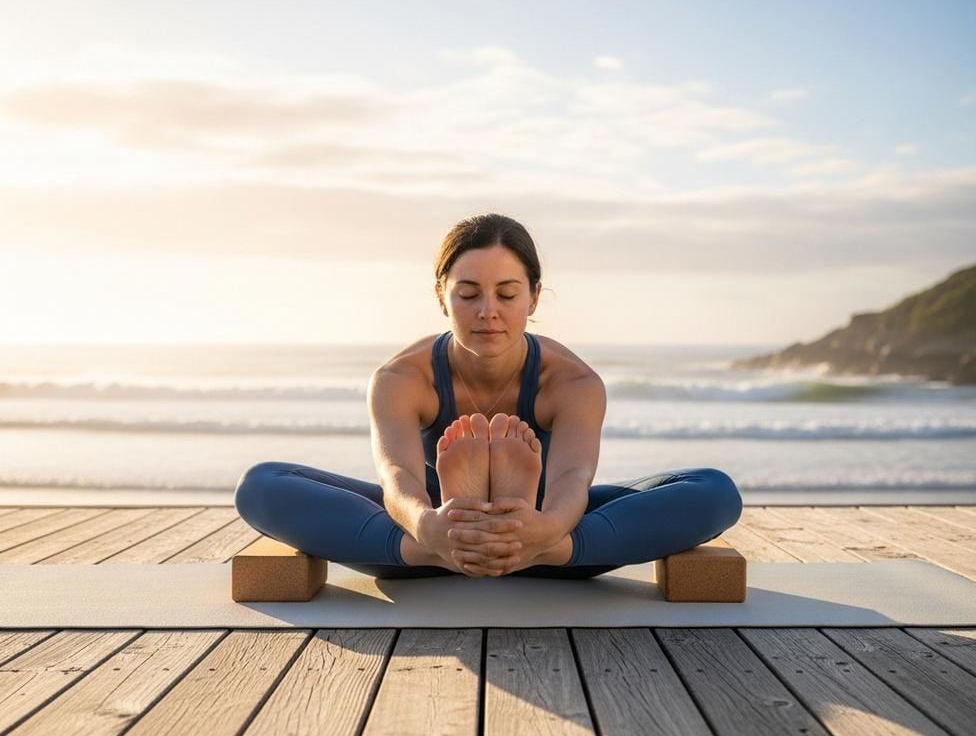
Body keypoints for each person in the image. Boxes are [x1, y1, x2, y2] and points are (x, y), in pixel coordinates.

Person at [234, 213, 743, 579]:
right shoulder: (402, 377)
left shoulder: (572, 383)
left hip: (542, 529)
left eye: (506, 293)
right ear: (442, 296)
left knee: (714, 490)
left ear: (534, 296)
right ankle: (458, 548)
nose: (487, 311)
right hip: (433, 526)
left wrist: (542, 531)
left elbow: (571, 480)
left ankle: (517, 547)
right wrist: (428, 528)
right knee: (263, 484)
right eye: (468, 293)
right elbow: (399, 479)